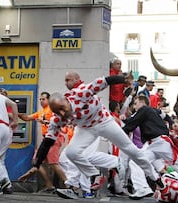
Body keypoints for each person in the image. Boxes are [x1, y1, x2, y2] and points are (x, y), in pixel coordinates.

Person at [22, 71, 164, 199]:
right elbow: (48, 141)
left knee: (129, 148)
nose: (63, 114)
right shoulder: (58, 118)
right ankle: (95, 175)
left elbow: (104, 81)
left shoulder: (82, 92)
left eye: (63, 109)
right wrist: (37, 164)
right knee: (71, 153)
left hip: (103, 121)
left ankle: (156, 178)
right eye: (58, 112)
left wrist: (124, 80)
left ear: (66, 100)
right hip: (86, 129)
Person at [122, 95, 178, 202]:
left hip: (161, 142)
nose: (134, 106)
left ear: (142, 103)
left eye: (135, 104)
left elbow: (130, 123)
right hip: (153, 145)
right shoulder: (155, 111)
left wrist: (119, 126)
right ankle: (142, 188)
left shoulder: (143, 109)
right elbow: (166, 117)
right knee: (135, 162)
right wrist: (172, 123)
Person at [18, 92, 67, 193]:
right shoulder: (41, 112)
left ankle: (70, 185)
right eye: (40, 99)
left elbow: (60, 123)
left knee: (53, 163)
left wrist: (45, 122)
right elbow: (26, 118)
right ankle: (49, 186)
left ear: (49, 100)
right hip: (46, 139)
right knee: (37, 162)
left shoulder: (52, 109)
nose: (41, 101)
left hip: (55, 138)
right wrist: (15, 112)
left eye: (43, 99)